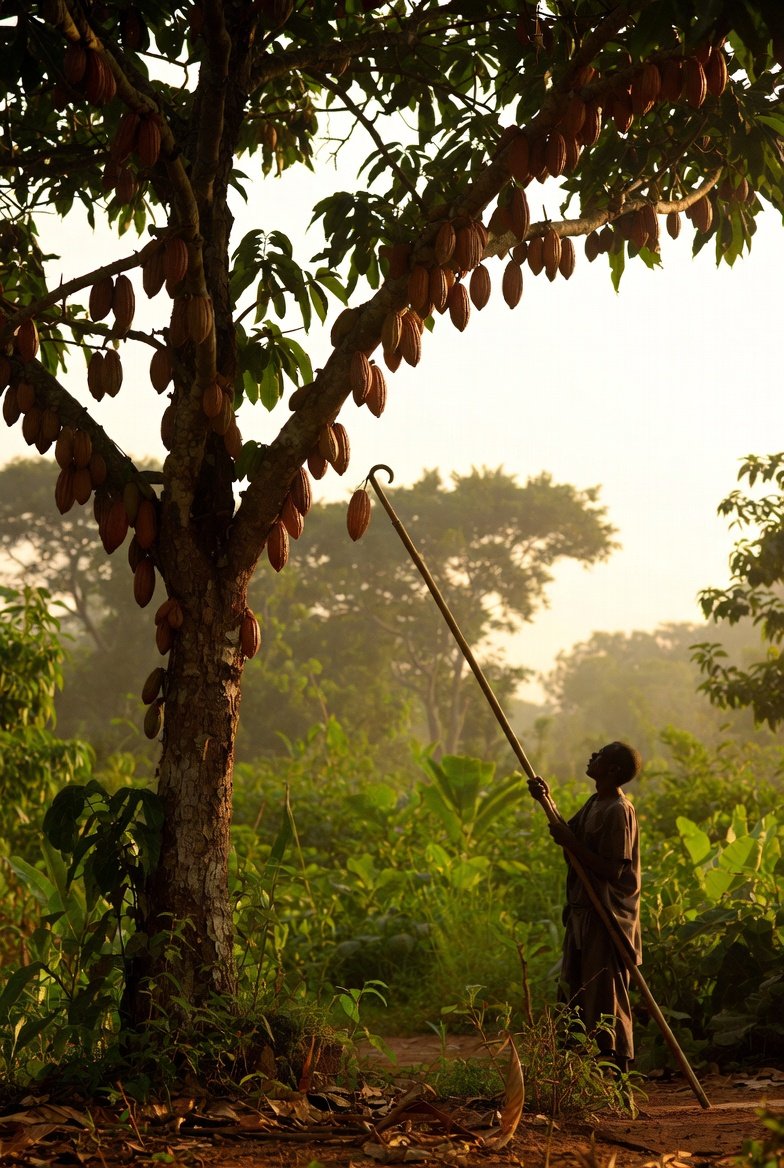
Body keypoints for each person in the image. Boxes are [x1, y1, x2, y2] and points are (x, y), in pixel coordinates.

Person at [527, 741, 643, 1074]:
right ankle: (575, 1075)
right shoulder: (595, 802)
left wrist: (570, 842)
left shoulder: (618, 810)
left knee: (606, 995)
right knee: (573, 992)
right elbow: (567, 834)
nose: (592, 756)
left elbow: (612, 869)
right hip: (582, 911)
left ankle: (618, 1077)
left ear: (613, 769)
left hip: (607, 917)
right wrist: (545, 799)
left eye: (600, 755)